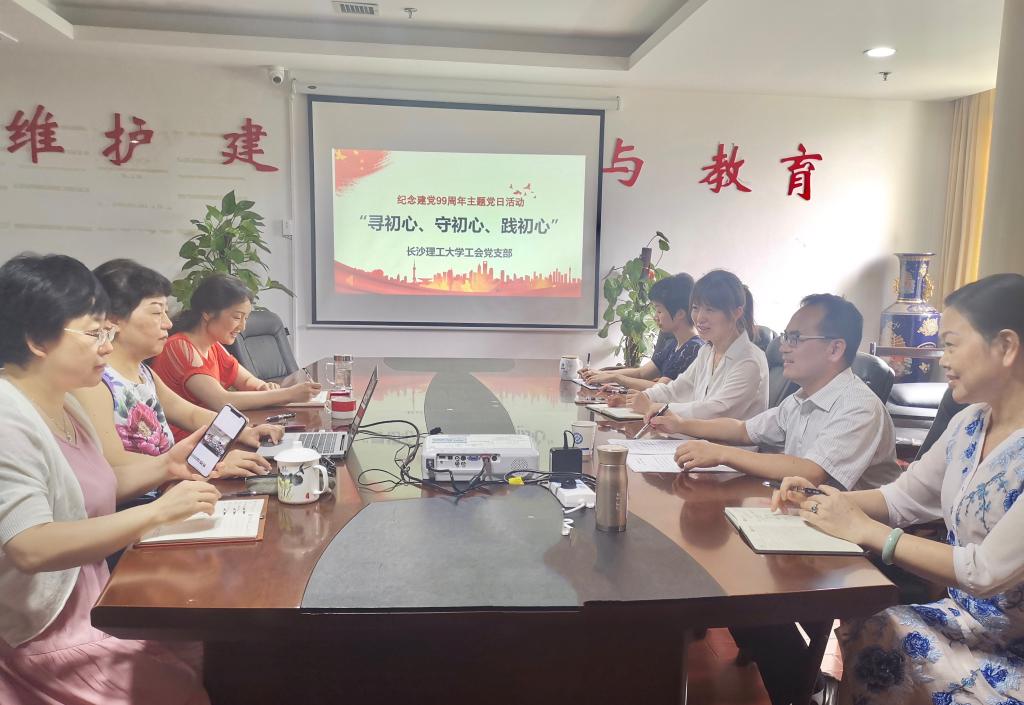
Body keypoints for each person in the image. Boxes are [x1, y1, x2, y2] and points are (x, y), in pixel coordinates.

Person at [772, 274, 1024, 705]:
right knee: (872, 624)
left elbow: (984, 572)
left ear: (1005, 346)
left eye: (951, 344)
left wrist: (869, 532)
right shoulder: (969, 423)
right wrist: (815, 500)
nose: (942, 358)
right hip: (969, 622)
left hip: (1012, 648)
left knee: (882, 634)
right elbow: (901, 498)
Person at [0, 253, 216, 705]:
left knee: (207, 650)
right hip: (45, 629)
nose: (106, 346)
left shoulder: (65, 402)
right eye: (94, 333)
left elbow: (88, 491)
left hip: (99, 600)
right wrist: (157, 512)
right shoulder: (7, 418)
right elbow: (30, 546)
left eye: (108, 332)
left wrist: (166, 466)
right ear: (37, 339)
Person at [655, 293, 900, 490]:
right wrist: (680, 424)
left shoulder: (858, 406)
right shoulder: (800, 398)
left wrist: (722, 453)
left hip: (855, 532)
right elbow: (743, 430)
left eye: (795, 338)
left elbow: (810, 472)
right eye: (785, 337)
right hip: (805, 513)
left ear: (835, 349)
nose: (782, 347)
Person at [74, 259, 284, 476]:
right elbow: (116, 465)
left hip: (176, 481)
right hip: (158, 492)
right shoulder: (95, 380)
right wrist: (208, 465)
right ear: (113, 319)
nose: (168, 323)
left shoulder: (144, 373)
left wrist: (244, 432)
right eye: (157, 313)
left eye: (166, 312)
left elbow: (190, 414)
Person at [151, 273, 320, 441]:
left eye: (245, 318)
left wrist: (263, 387)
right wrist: (289, 394)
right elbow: (221, 401)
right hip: (186, 443)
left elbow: (246, 381)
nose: (243, 326)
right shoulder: (180, 347)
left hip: (211, 435)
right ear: (208, 313)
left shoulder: (214, 346)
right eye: (237, 317)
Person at [615, 269, 768, 423]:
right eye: (695, 308)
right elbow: (676, 389)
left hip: (720, 439)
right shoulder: (707, 351)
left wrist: (656, 407)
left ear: (736, 313)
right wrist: (643, 397)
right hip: (692, 435)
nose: (700, 318)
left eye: (710, 309)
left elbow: (716, 411)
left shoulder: (749, 360)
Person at [581, 273, 703, 390]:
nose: (655, 317)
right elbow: (641, 373)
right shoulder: (675, 345)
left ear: (680, 314)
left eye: (659, 311)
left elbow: (661, 389)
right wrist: (602, 374)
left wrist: (615, 378)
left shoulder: (693, 349)